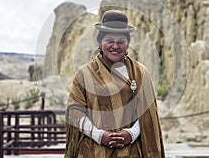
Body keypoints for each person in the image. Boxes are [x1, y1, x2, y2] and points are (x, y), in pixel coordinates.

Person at [66, 10, 165, 157]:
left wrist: (131, 134)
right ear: (100, 42)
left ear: (128, 44)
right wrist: (99, 135)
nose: (115, 46)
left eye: (121, 42)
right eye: (109, 41)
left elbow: (148, 114)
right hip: (94, 151)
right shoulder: (84, 73)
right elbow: (74, 112)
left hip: (131, 152)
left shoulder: (140, 72)